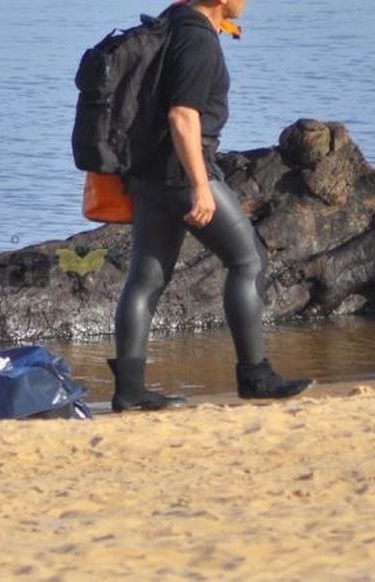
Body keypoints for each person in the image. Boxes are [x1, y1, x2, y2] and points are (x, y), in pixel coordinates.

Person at [109, 0, 312, 411]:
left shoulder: (169, 22)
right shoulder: (197, 37)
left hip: (146, 175)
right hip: (182, 173)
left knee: (146, 280)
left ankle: (129, 392)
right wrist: (200, 186)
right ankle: (255, 376)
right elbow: (182, 115)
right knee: (248, 261)